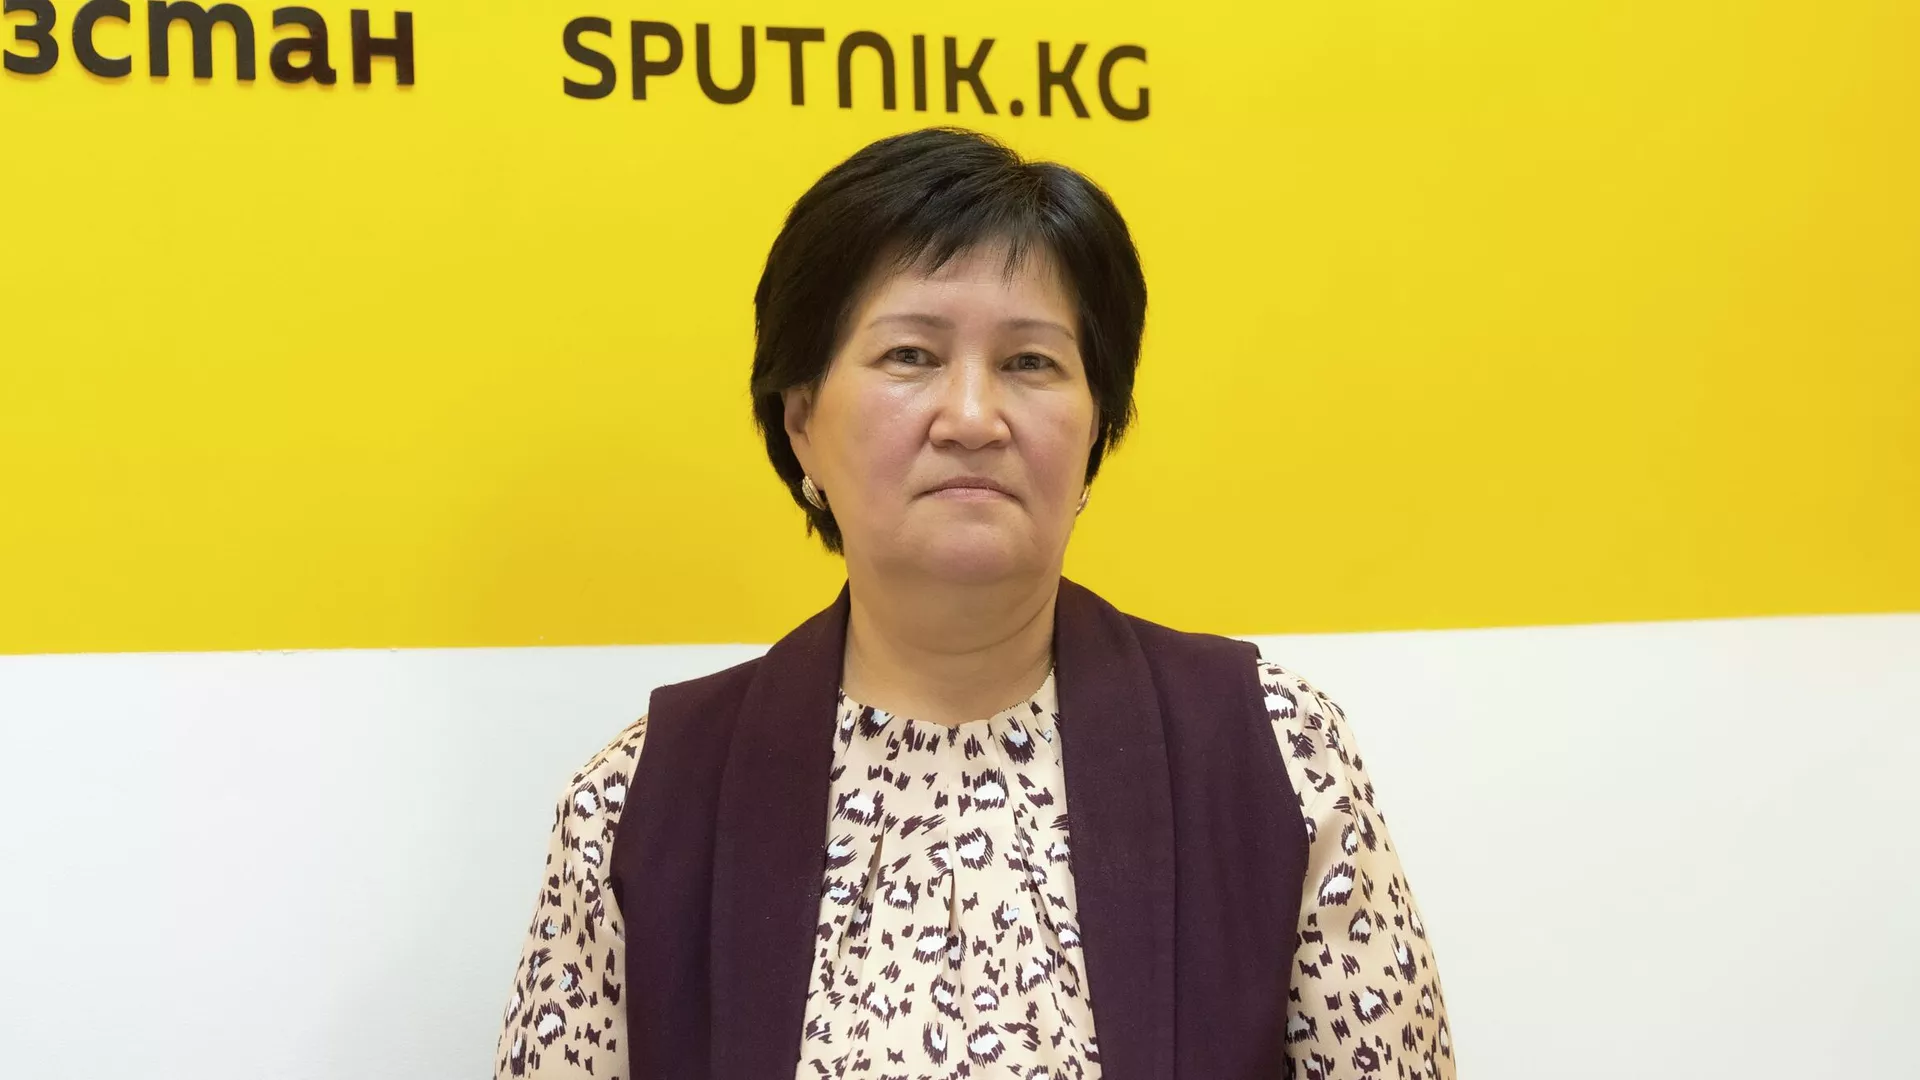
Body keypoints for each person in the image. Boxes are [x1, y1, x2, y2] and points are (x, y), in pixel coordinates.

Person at [493, 127, 1453, 1080]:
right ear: (802, 420)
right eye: (911, 355)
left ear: (1097, 427)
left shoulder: (1275, 754)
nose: (971, 418)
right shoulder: (640, 804)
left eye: (1030, 363)